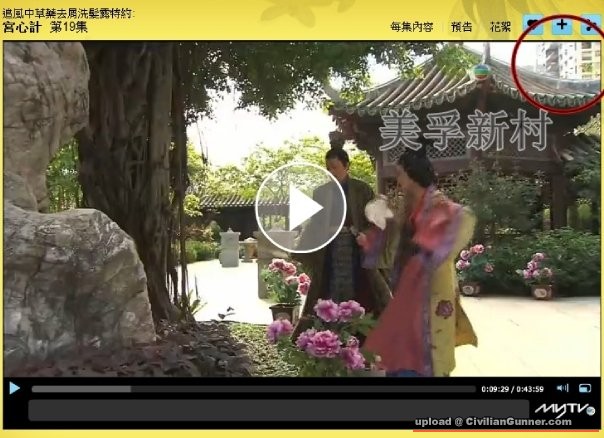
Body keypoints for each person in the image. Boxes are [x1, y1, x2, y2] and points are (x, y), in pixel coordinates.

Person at [358, 145, 478, 377]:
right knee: (402, 344)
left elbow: (463, 217)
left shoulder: (438, 204)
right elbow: (392, 241)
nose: (398, 180)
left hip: (430, 284)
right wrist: (372, 236)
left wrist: (428, 246)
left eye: (400, 174)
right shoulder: (409, 204)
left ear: (412, 174)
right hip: (409, 287)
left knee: (425, 347)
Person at [292, 145, 392, 339]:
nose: (331, 172)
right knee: (328, 290)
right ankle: (327, 336)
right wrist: (305, 245)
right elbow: (314, 224)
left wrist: (366, 235)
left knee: (364, 291)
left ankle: (363, 336)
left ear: (347, 166)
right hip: (330, 250)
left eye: (335, 167)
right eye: (328, 168)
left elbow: (376, 221)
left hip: (356, 249)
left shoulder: (362, 189)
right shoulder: (321, 192)